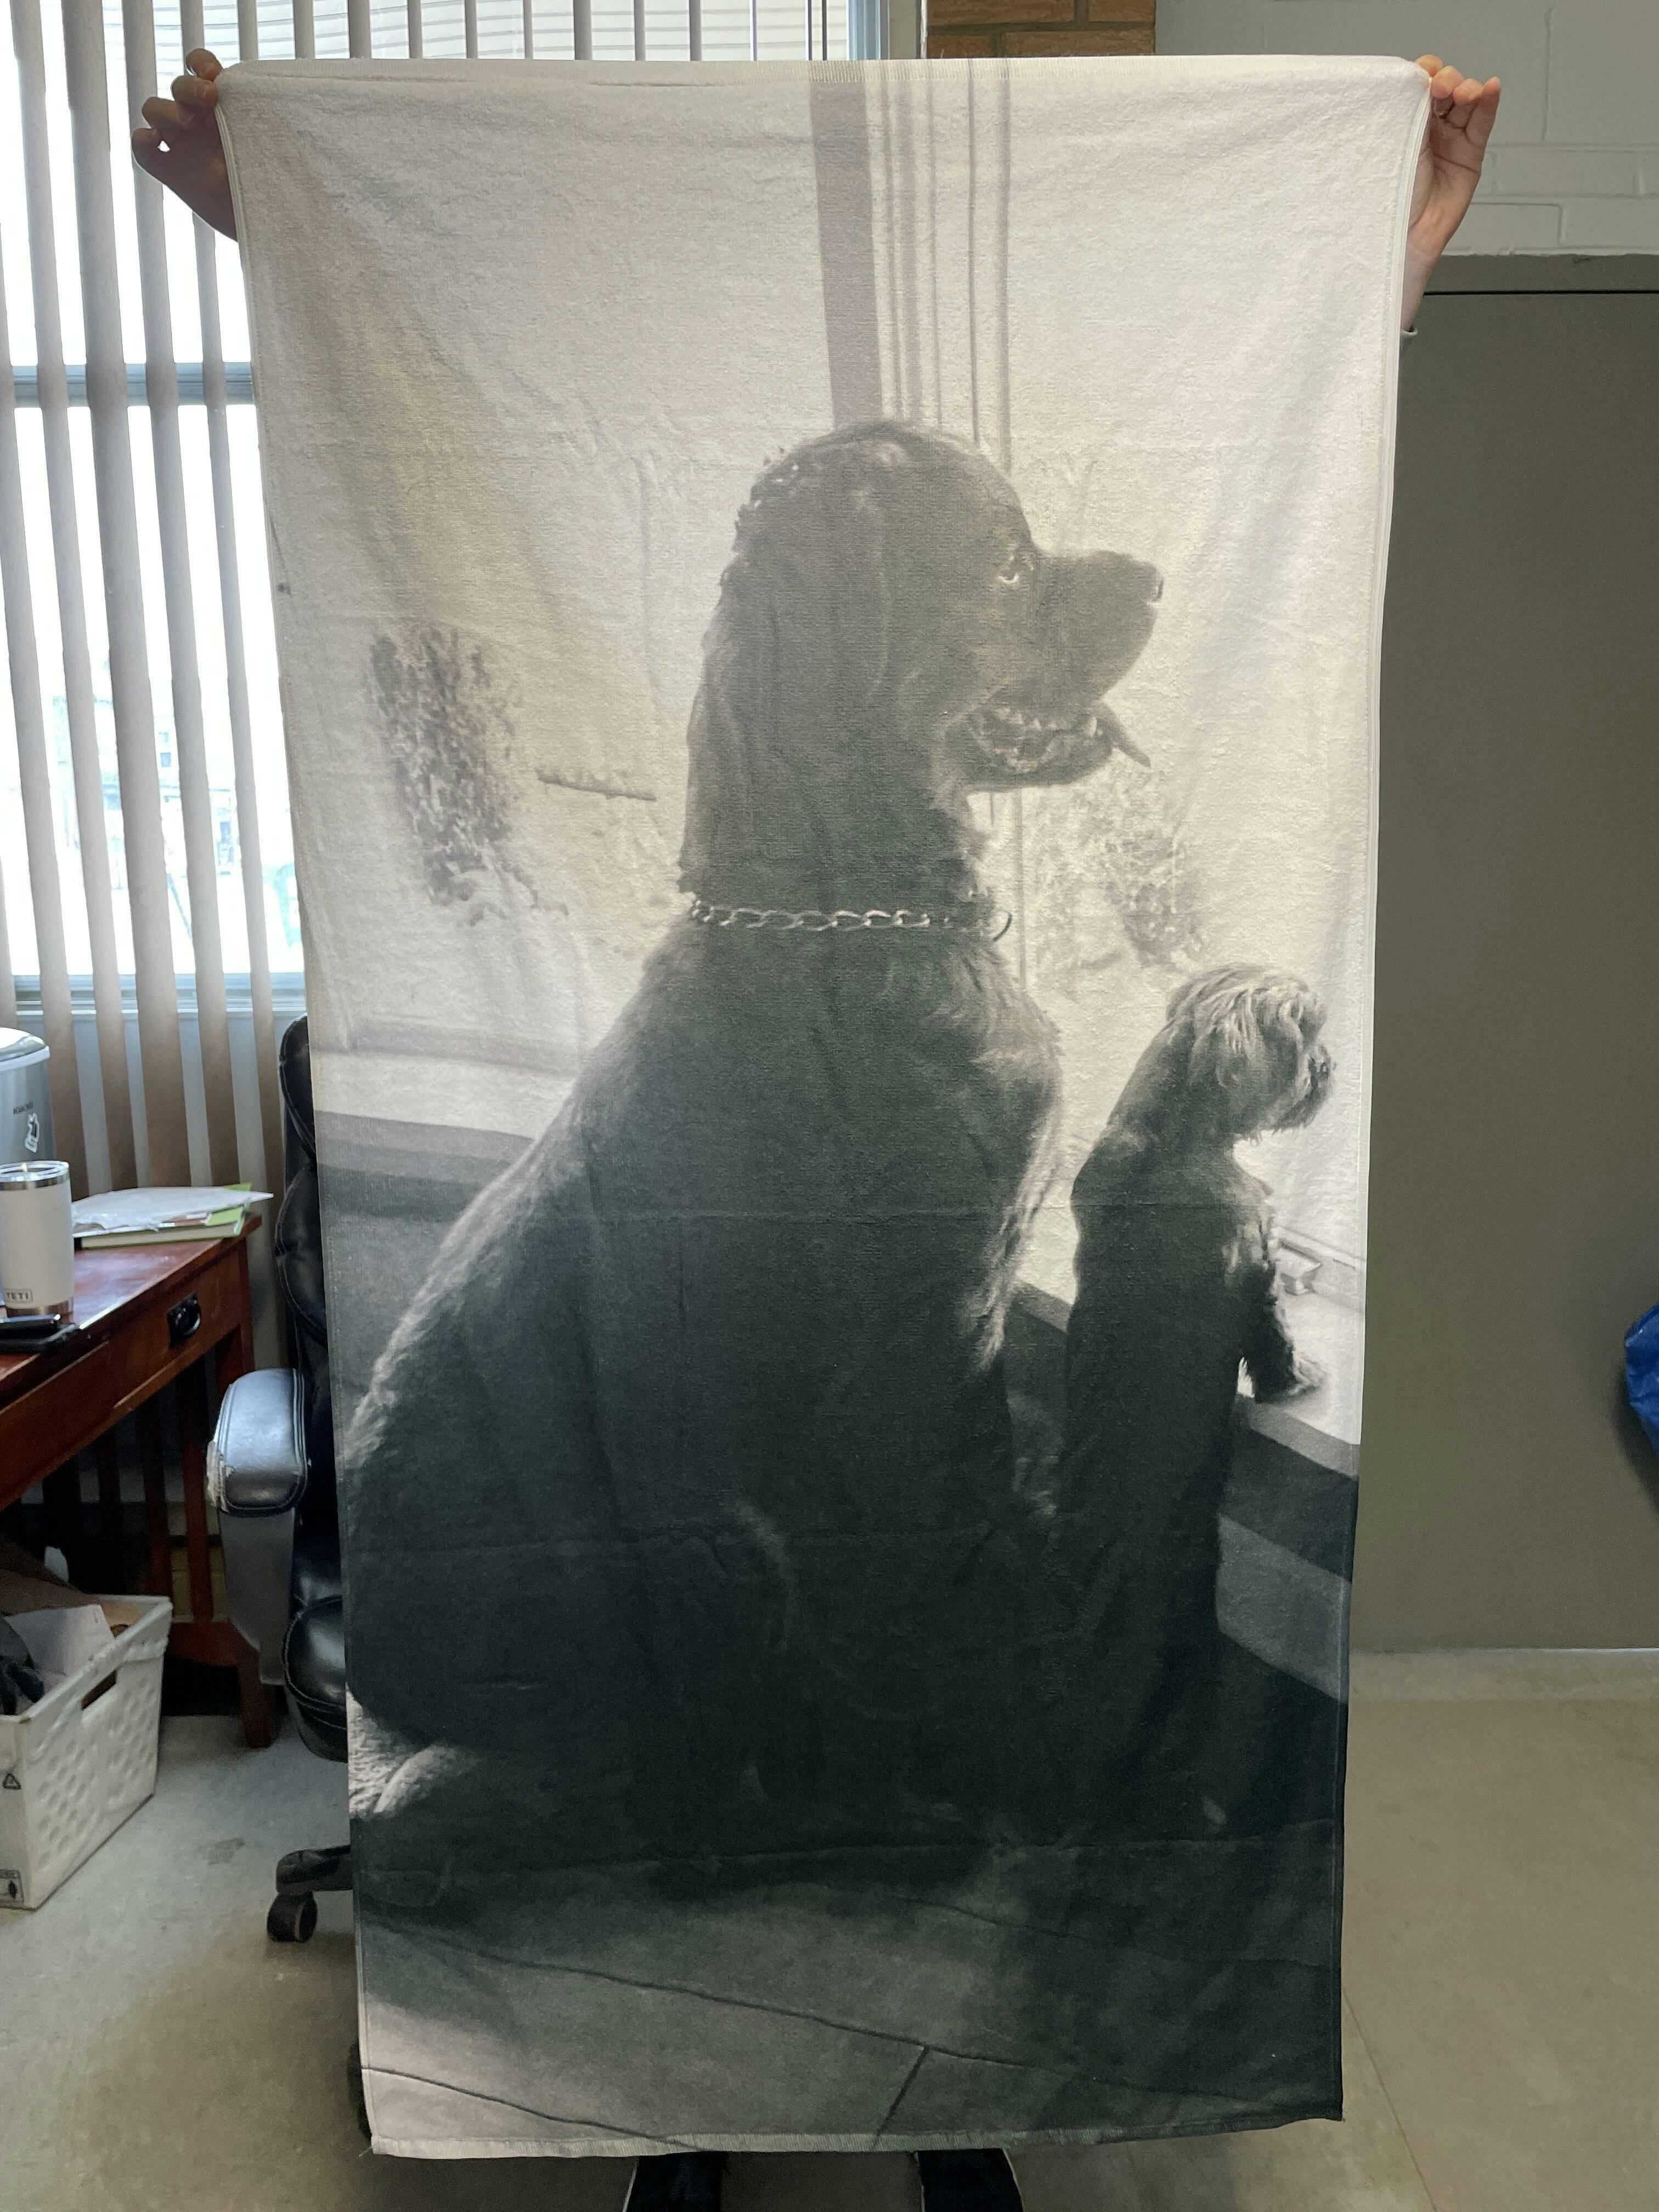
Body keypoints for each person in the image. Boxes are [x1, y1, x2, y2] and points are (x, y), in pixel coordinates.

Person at [131, 41, 1498, 2212]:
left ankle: (883, 2094)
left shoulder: (902, 975)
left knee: (973, 1624)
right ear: (858, 658)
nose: (1084, 603)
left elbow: (1277, 431)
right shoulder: (771, 1021)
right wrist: (273, 221)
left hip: (785, 1573)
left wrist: (1393, 233)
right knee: (924, 1688)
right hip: (561, 1609)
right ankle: (727, 2120)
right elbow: (424, 418)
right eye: (1005, 579)